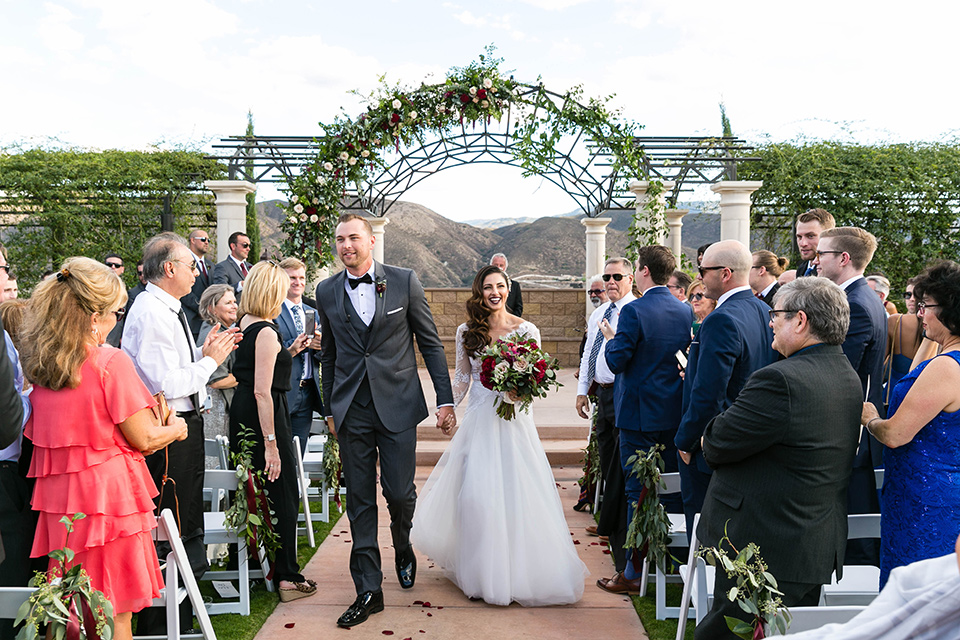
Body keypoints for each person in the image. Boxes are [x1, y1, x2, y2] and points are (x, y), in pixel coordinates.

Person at [21, 257, 189, 640]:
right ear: (94, 317)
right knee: (115, 613)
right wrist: (177, 428)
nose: (118, 319)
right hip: (112, 507)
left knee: (65, 613)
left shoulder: (44, 368)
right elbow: (144, 437)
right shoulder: (108, 362)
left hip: (62, 507)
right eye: (116, 312)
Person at [696, 277, 862, 639]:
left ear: (800, 320)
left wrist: (710, 433)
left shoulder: (780, 380)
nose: (770, 321)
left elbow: (717, 443)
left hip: (765, 544)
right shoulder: (846, 373)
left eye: (776, 314)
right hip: (811, 542)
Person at [412, 265, 587, 606]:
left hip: (514, 423)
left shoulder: (527, 330)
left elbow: (535, 377)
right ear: (479, 292)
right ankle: (480, 574)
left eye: (500, 286)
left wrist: (520, 391)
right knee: (476, 498)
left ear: (508, 290)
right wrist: (447, 407)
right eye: (487, 287)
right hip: (479, 421)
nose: (494, 292)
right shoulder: (468, 331)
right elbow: (463, 377)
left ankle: (519, 572)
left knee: (517, 494)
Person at [315, 213, 455, 628]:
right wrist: (329, 408)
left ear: (371, 240)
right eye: (340, 239)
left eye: (353, 238)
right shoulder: (325, 291)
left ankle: (403, 544)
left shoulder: (404, 280)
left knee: (398, 493)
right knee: (359, 500)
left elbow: (429, 344)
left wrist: (444, 400)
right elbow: (330, 355)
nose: (346, 246)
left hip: (397, 405)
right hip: (351, 410)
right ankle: (369, 590)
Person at [121, 232, 238, 633]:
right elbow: (164, 383)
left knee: (186, 524)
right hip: (167, 430)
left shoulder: (167, 308)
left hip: (182, 425)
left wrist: (203, 356)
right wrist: (210, 364)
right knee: (172, 529)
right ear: (169, 268)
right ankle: (162, 622)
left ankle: (179, 617)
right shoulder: (152, 312)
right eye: (191, 265)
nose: (196, 273)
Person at [598, 246, 692, 594]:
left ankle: (634, 572)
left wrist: (610, 341)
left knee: (638, 494)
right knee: (667, 491)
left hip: (637, 416)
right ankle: (666, 565)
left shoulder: (634, 310)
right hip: (672, 413)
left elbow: (618, 361)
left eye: (636, 269)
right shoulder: (683, 311)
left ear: (644, 272)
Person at [861, 259, 960, 587]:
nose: (918, 313)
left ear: (950, 310)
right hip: (935, 492)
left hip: (926, 502)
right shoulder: (944, 359)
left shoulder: (947, 368)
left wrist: (871, 418)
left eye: (926, 306)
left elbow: (895, 434)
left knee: (916, 596)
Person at [675, 240, 777, 538]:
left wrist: (686, 441)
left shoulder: (721, 319)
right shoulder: (763, 310)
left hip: (714, 447)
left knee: (708, 534)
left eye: (703, 269)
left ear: (725, 273)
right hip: (752, 441)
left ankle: (703, 586)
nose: (700, 276)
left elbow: (709, 393)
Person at [229, 260, 317, 601]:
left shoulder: (247, 323)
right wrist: (271, 444)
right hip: (264, 413)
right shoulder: (266, 330)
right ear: (271, 291)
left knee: (256, 491)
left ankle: (261, 566)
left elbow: (257, 370)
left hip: (245, 410)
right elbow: (262, 391)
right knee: (282, 492)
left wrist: (290, 352)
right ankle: (287, 577)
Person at [814, 226, 886, 565]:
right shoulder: (865, 297)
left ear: (843, 259)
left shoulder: (854, 303)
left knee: (851, 523)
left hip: (845, 428)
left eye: (821, 254)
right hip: (853, 424)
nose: (814, 260)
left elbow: (840, 372)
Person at [574, 258, 636, 577]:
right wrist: (583, 389)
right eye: (606, 277)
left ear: (630, 279)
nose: (610, 282)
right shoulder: (599, 312)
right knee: (606, 456)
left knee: (618, 465)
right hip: (602, 395)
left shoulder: (633, 311)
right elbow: (588, 354)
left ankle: (614, 528)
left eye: (616, 277)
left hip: (622, 393)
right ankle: (609, 523)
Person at [276, 257, 322, 457]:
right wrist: (294, 347)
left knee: (298, 454)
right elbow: (269, 353)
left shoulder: (312, 313)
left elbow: (323, 356)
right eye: (292, 277)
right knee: (281, 452)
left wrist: (321, 347)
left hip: (308, 391)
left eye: (302, 277)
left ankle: (296, 488)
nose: (298, 282)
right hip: (284, 391)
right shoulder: (273, 312)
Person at [197, 284, 239, 464]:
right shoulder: (215, 333)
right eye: (228, 302)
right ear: (211, 308)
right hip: (217, 409)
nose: (234, 306)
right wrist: (249, 376)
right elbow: (217, 380)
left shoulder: (222, 330)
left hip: (219, 407)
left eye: (235, 301)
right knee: (215, 466)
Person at [182, 230, 216, 341]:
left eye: (208, 240)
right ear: (192, 240)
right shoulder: (184, 262)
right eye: (203, 239)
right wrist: (203, 309)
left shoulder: (210, 265)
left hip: (209, 323)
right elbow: (183, 290)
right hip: (191, 321)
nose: (206, 242)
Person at [794, 207, 836, 277]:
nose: (803, 243)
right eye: (799, 237)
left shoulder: (833, 272)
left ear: (829, 236)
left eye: (810, 236)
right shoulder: (801, 269)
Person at [213, 231, 253, 298]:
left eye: (249, 246)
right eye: (245, 245)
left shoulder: (251, 267)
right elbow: (220, 291)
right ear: (233, 246)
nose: (248, 249)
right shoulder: (222, 267)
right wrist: (240, 285)